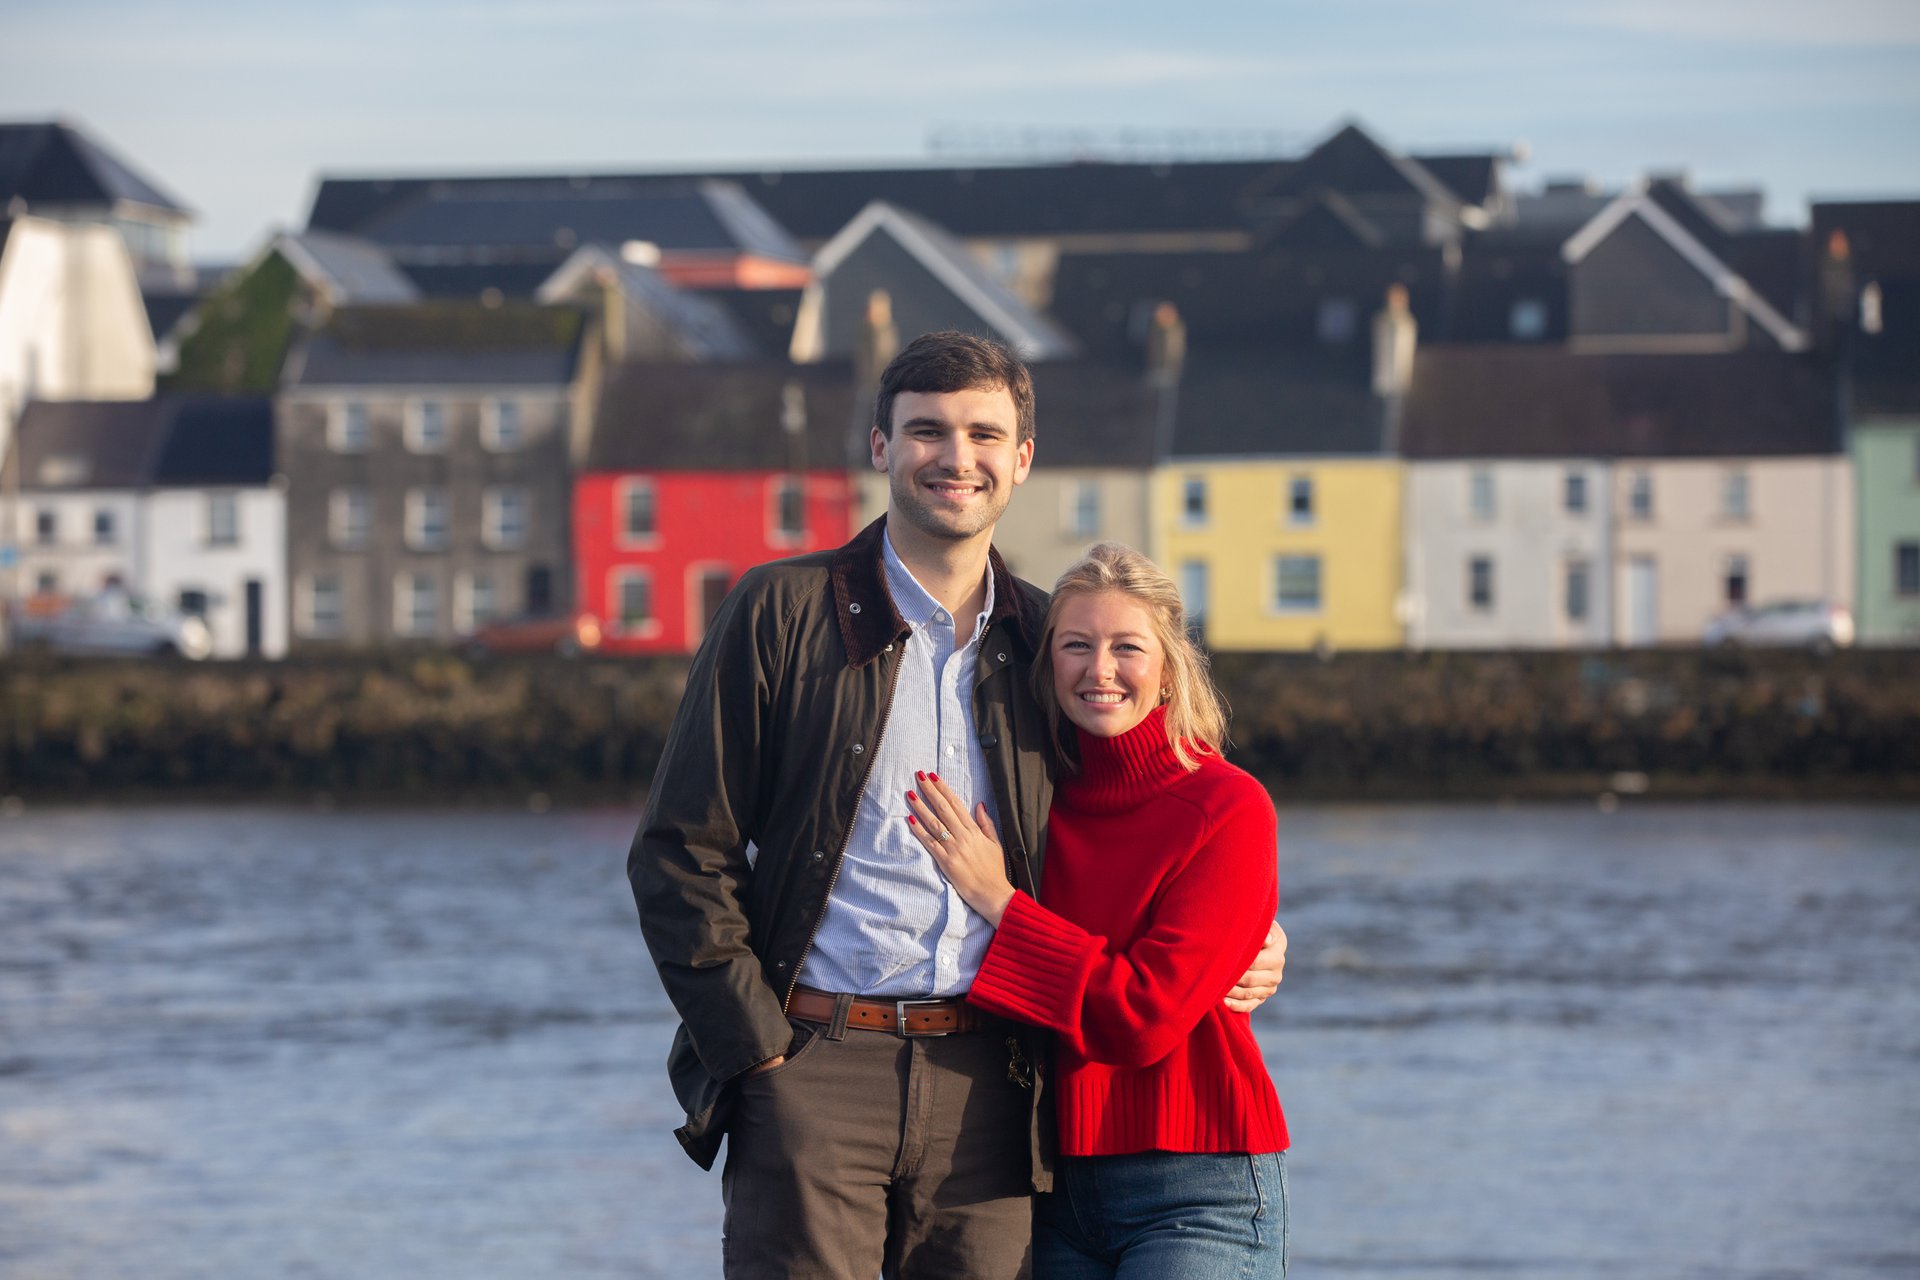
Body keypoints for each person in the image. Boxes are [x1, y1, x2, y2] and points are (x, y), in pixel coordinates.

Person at [628, 332, 1285, 1279]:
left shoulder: (1045, 638)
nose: (956, 456)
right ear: (880, 446)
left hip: (998, 1089)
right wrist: (755, 1051)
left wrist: (1251, 933)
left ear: (1022, 459)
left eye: (984, 434)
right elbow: (681, 851)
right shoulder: (779, 611)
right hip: (814, 1065)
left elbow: (1142, 810)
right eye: (927, 430)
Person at [906, 542, 1290, 1278]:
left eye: (1127, 647)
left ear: (1170, 666)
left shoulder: (1228, 806)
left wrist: (1000, 902)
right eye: (1076, 645)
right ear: (1047, 664)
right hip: (1044, 1180)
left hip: (1199, 1185)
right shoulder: (1029, 802)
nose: (1100, 670)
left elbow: (1145, 1016)